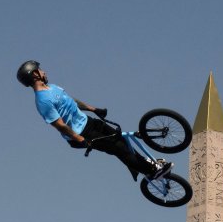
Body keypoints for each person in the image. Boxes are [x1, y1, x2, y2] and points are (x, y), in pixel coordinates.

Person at [16, 60, 172, 180]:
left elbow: (72, 101)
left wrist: (94, 109)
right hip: (82, 134)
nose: (44, 71)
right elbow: (59, 125)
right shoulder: (42, 101)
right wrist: (80, 139)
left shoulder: (53, 87)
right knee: (119, 148)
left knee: (123, 139)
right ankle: (152, 172)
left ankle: (145, 164)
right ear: (35, 75)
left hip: (88, 122)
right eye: (40, 70)